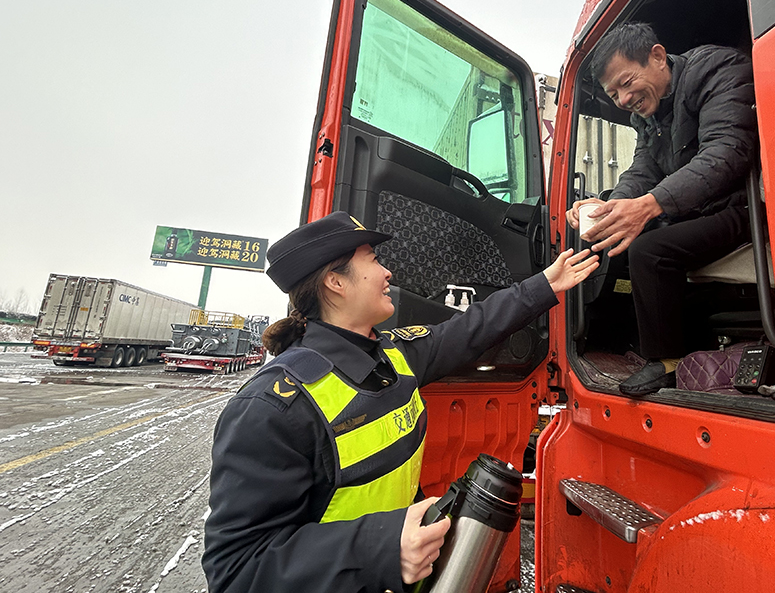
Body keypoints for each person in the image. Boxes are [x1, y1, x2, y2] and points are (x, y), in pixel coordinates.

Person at [202, 211, 598, 593]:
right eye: (373, 261)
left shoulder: (394, 355)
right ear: (335, 283)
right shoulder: (271, 408)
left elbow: (470, 329)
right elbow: (237, 570)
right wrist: (379, 549)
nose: (387, 272)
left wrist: (545, 284)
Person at [567, 22, 758, 396]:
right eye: (613, 93)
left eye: (625, 83)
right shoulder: (647, 117)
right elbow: (643, 170)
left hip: (744, 204)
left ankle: (668, 362)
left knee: (649, 249)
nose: (622, 100)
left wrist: (652, 204)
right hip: (701, 208)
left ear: (657, 56)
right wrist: (610, 205)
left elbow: (727, 152)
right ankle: (661, 347)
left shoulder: (715, 69)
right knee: (620, 240)